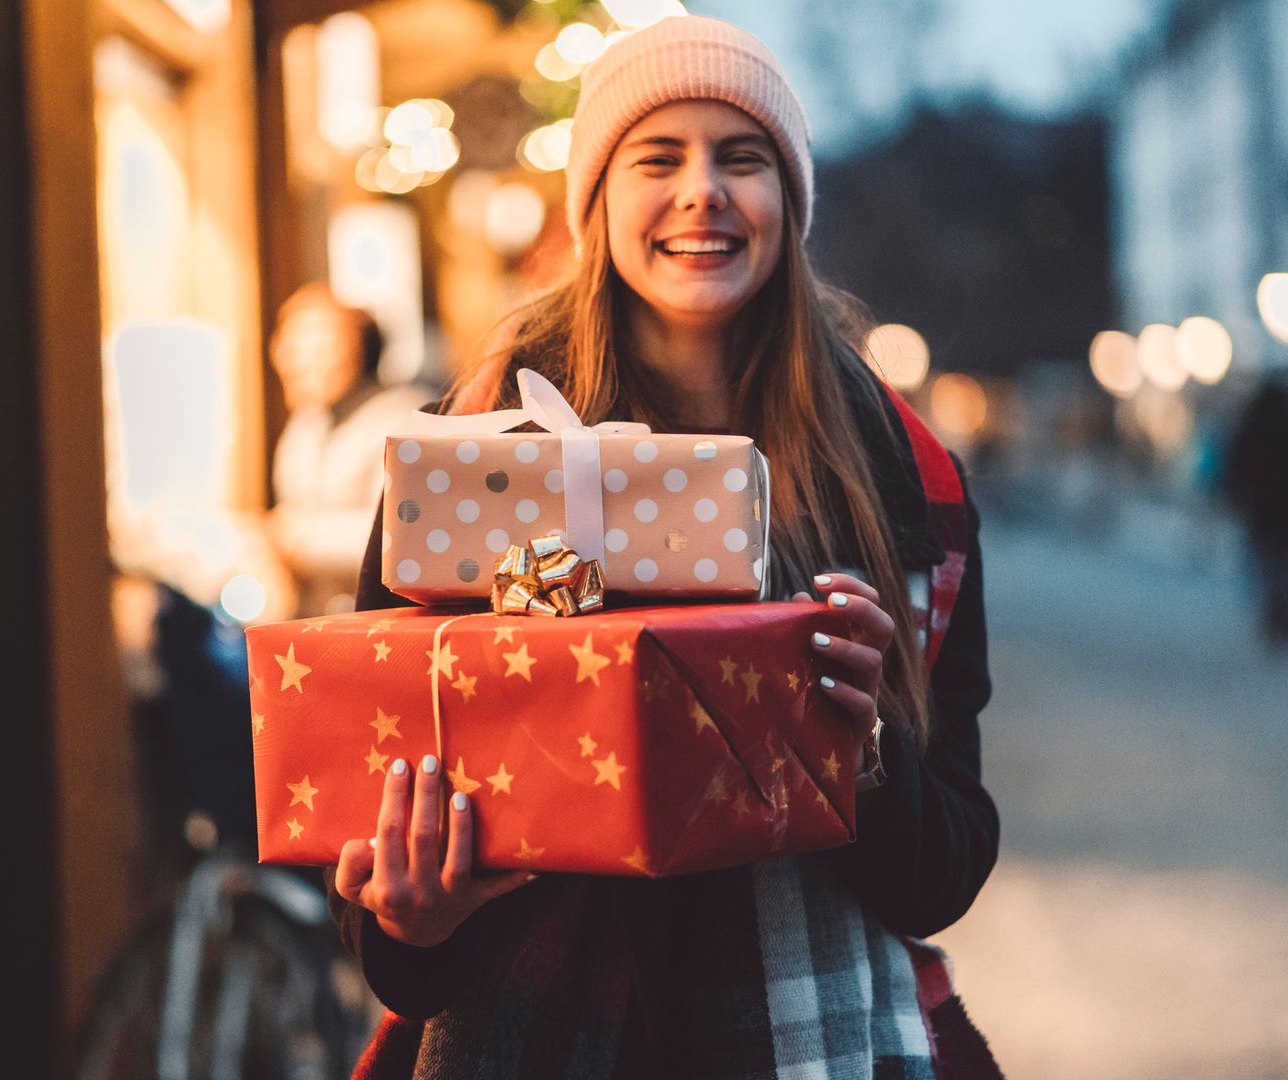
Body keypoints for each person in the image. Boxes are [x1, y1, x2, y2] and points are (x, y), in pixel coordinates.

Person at [326, 16, 1001, 1077]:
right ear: (596, 200)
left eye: (744, 158)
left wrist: (865, 755)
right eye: (658, 157)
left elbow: (944, 873)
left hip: (816, 1038)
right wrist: (409, 920)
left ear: (791, 201)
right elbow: (386, 860)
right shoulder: (475, 461)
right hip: (535, 1029)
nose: (703, 192)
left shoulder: (899, 477)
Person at [266, 284, 428, 616]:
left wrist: (294, 538)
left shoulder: (400, 418)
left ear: (363, 349)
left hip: (383, 620)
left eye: (320, 348)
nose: (297, 360)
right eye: (289, 344)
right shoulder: (305, 425)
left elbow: (400, 536)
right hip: (316, 617)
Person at [1225, 377, 1288, 647]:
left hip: (1261, 511)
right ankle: (1285, 612)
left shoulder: (1251, 429)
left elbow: (1236, 468)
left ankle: (1272, 610)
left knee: (1266, 563)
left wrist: (1238, 496)